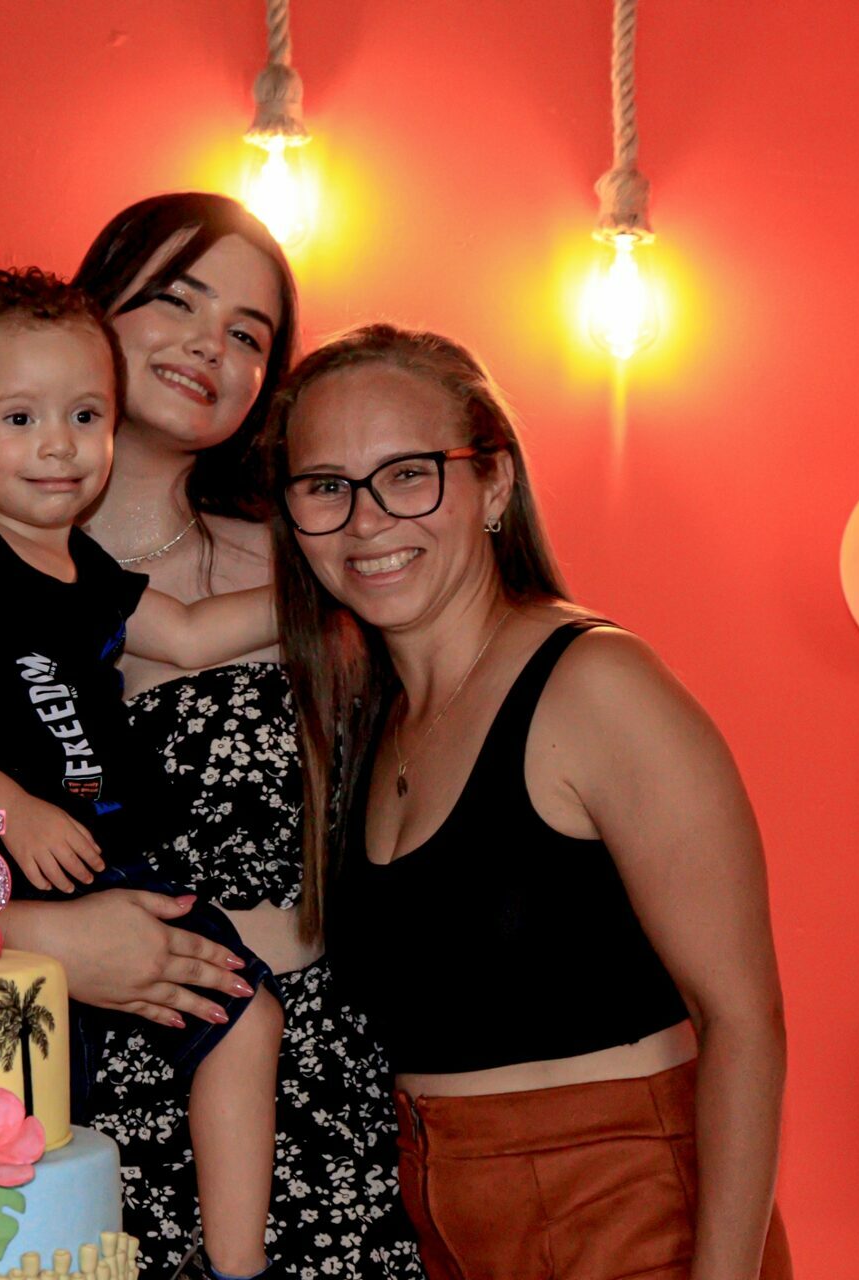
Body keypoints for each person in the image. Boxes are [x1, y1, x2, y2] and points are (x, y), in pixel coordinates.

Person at [0, 193, 424, 1278]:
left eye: (249, 333)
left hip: (293, 1109)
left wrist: (343, 560)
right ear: (92, 313)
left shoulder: (322, 576)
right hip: (42, 1117)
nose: (210, 344)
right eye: (179, 299)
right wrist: (43, 935)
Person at [266, 324, 793, 1280]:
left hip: (626, 1220)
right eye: (326, 486)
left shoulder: (595, 684)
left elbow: (744, 1024)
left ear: (494, 483)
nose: (366, 521)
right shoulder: (369, 719)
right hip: (449, 1230)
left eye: (409, 475)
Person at [0, 266, 283, 1280]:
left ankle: (234, 1266)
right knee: (36, 1102)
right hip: (1, 874)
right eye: (21, 418)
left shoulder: (86, 571)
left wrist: (320, 582)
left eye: (86, 415)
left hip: (108, 860)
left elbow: (190, 634)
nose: (60, 443)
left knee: (242, 1015)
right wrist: (7, 807)